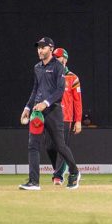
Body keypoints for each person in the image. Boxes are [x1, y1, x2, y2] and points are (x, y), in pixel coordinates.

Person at [19, 37, 80, 190]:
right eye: (38, 47)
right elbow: (36, 90)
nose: (40, 50)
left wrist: (45, 103)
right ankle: (34, 182)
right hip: (37, 113)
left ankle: (74, 171)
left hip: (53, 111)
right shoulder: (37, 68)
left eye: (43, 47)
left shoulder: (58, 67)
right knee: (33, 145)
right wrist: (27, 107)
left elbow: (59, 91)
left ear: (51, 49)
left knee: (60, 146)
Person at [46, 48, 83, 185]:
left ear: (65, 59)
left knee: (61, 146)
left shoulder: (73, 78)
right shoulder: (50, 75)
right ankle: (60, 168)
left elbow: (78, 102)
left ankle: (58, 176)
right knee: (49, 147)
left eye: (58, 57)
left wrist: (78, 121)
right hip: (50, 117)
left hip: (66, 118)